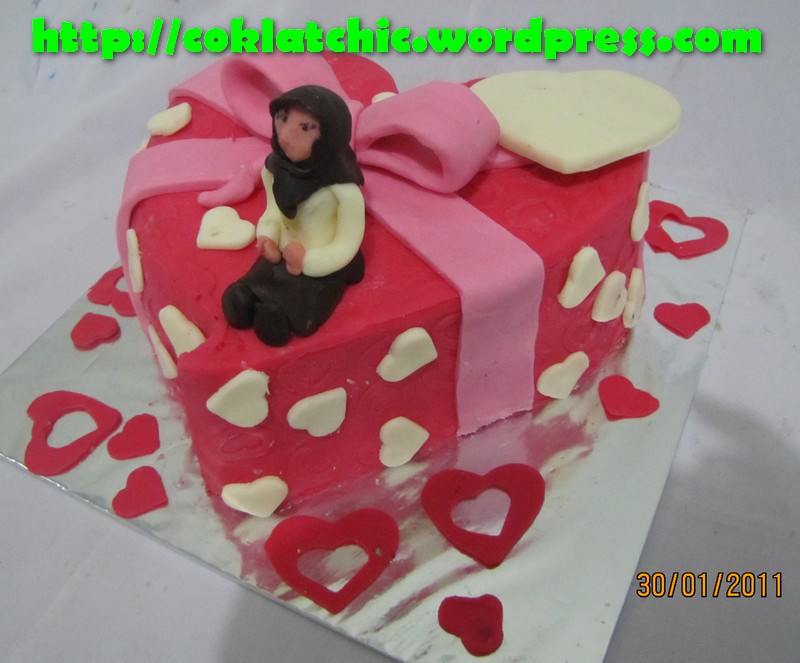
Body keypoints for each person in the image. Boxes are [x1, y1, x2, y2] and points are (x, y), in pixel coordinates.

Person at [222, 85, 366, 346]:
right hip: (284, 251)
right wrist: (268, 235)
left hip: (323, 262)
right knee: (259, 278)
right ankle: (247, 300)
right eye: (283, 118)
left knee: (302, 297)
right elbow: (273, 211)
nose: (286, 136)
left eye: (306, 127)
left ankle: (281, 318)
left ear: (330, 136)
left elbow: (348, 242)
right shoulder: (273, 172)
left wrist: (308, 261)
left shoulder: (343, 191)